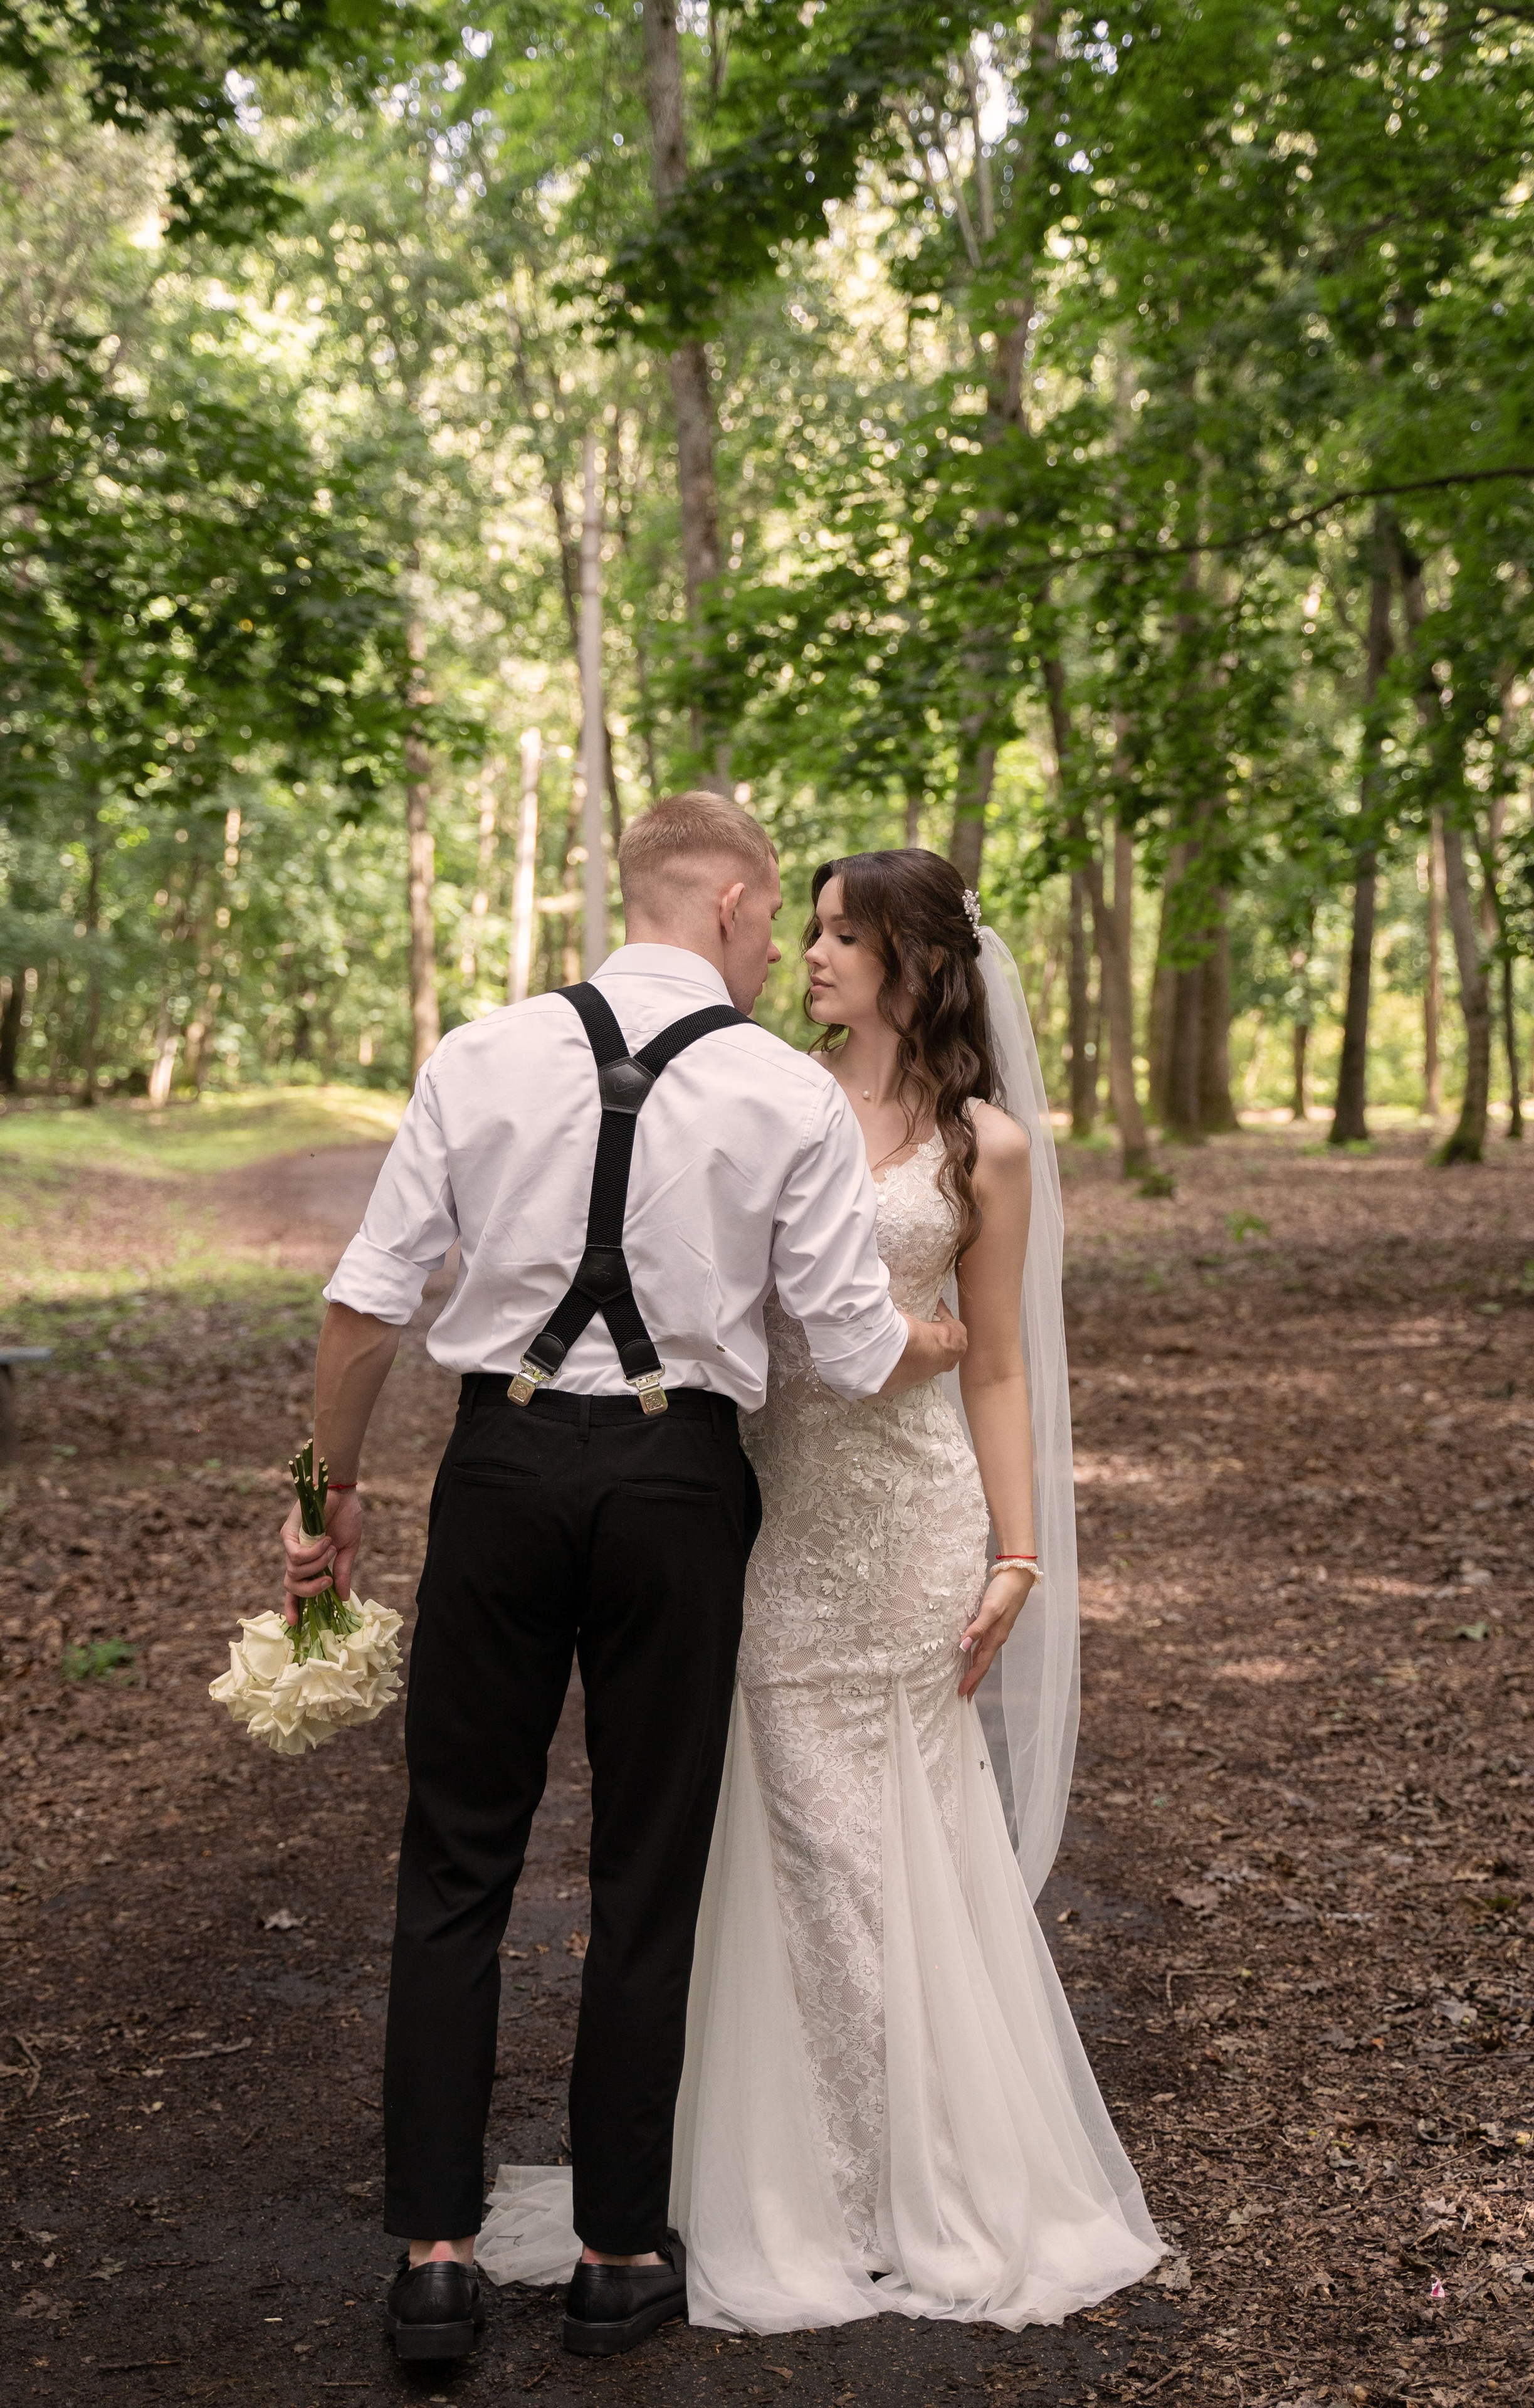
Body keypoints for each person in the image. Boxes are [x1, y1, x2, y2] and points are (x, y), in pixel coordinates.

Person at [279, 796, 967, 2364]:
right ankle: (613, 2253)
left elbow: (366, 1308)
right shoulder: (780, 1093)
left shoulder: (478, 1052)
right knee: (649, 1871)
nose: (778, 945)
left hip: (501, 1473)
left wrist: (330, 1498)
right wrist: (943, 1338)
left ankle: (435, 2263)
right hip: (675, 1486)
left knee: (457, 1859)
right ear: (726, 901)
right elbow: (848, 1347)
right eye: (774, 912)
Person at [480, 850, 1162, 2331]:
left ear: (917, 958)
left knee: (902, 1837)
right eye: (813, 928)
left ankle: (910, 2171)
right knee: (800, 1837)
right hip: (768, 1512)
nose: (812, 953)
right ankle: (785, 2166)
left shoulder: (988, 1147)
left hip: (912, 1518)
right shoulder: (763, 1092)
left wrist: (1018, 1551)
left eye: (846, 934)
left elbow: (994, 1363)